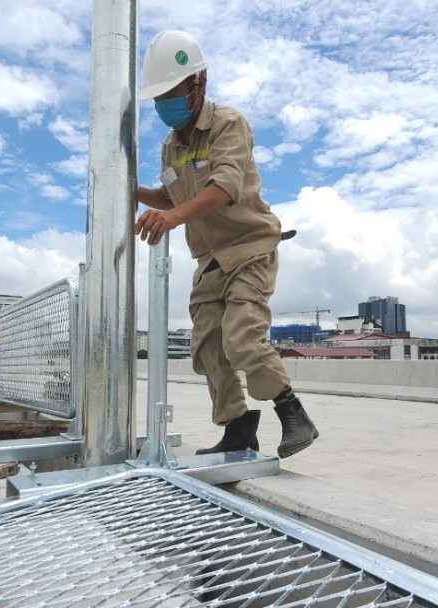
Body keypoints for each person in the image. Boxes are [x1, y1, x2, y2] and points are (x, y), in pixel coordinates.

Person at [134, 29, 319, 458]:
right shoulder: (169, 146)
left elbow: (224, 187)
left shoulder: (227, 124)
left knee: (241, 338)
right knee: (207, 348)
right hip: (210, 259)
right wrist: (135, 192)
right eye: (158, 97)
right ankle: (238, 428)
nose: (164, 104)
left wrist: (173, 217)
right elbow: (174, 196)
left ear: (198, 84)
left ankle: (294, 415)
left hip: (250, 247)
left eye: (172, 92)